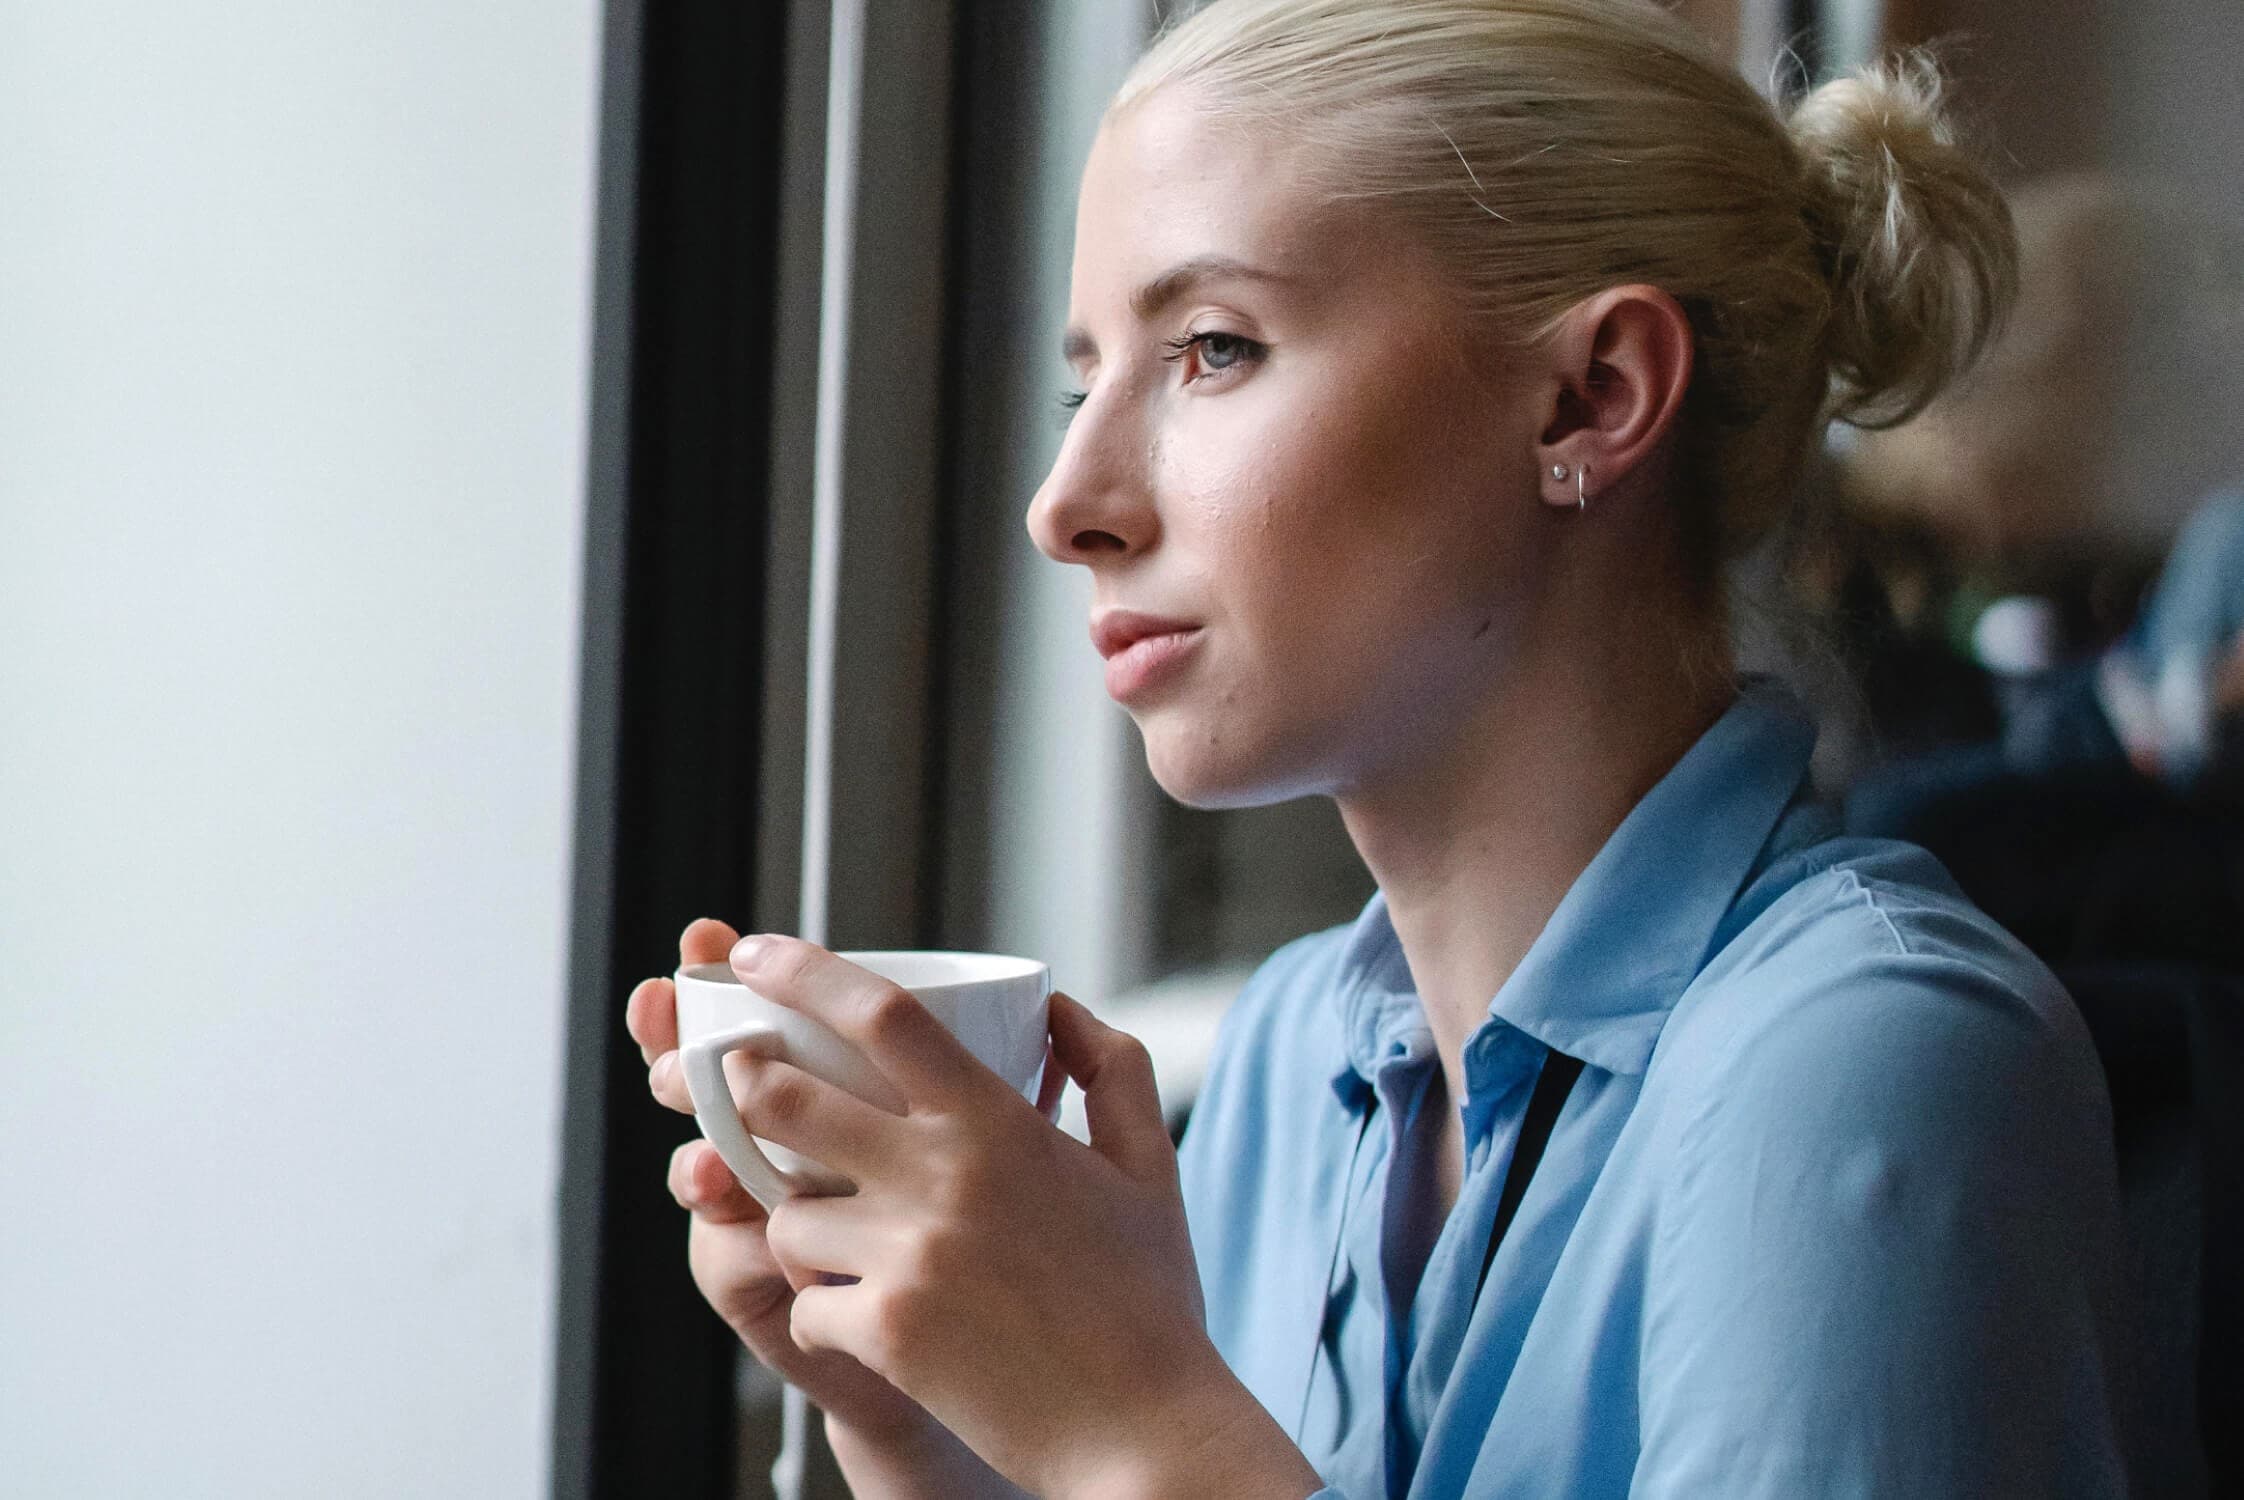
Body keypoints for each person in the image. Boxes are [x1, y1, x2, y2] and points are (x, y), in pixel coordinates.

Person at [624, 1, 2130, 1494]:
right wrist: (926, 1427)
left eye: (1213, 350)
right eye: (1089, 383)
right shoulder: (1298, 1059)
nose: (1066, 499)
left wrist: (1130, 1421)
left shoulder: (1869, 1062)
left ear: (1593, 396)